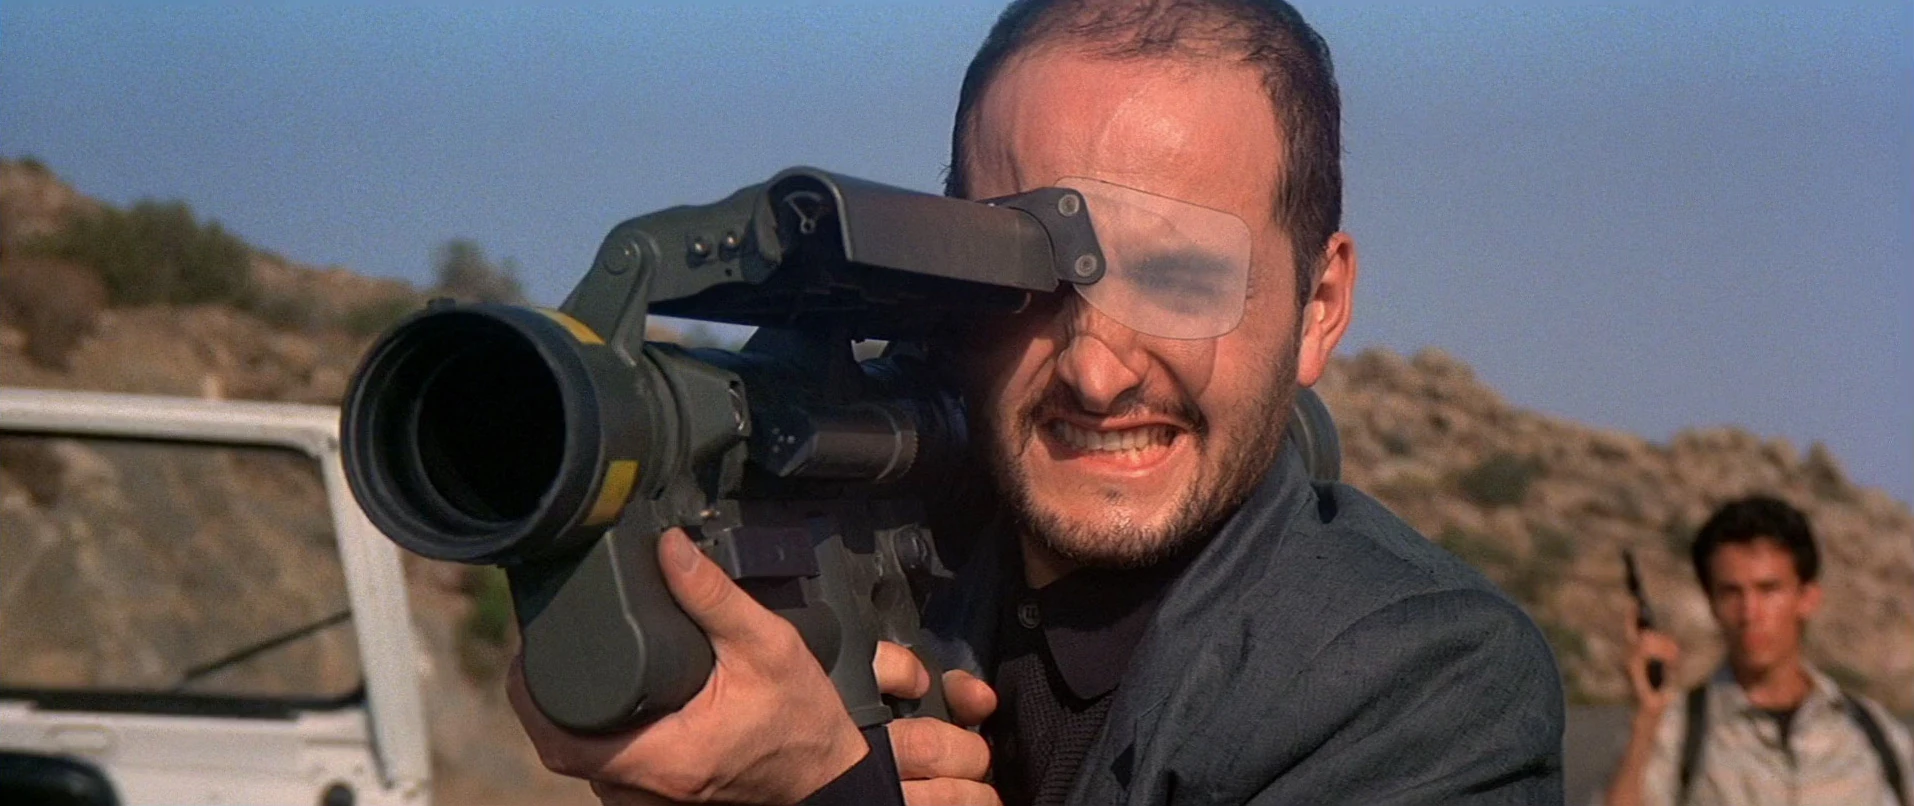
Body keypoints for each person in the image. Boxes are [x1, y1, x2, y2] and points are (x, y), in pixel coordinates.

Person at [510, 1, 1567, 803]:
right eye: (1026, 274)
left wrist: (829, 788)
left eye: (1179, 275)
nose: (1096, 373)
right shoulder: (929, 565)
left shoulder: (1427, 680)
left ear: (1319, 306)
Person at [1602, 495, 1913, 806]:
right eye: (1731, 592)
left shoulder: (1876, 737)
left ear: (1807, 598)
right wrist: (1645, 718)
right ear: (1712, 603)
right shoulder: (1677, 735)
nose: (1750, 612)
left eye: (1768, 590)